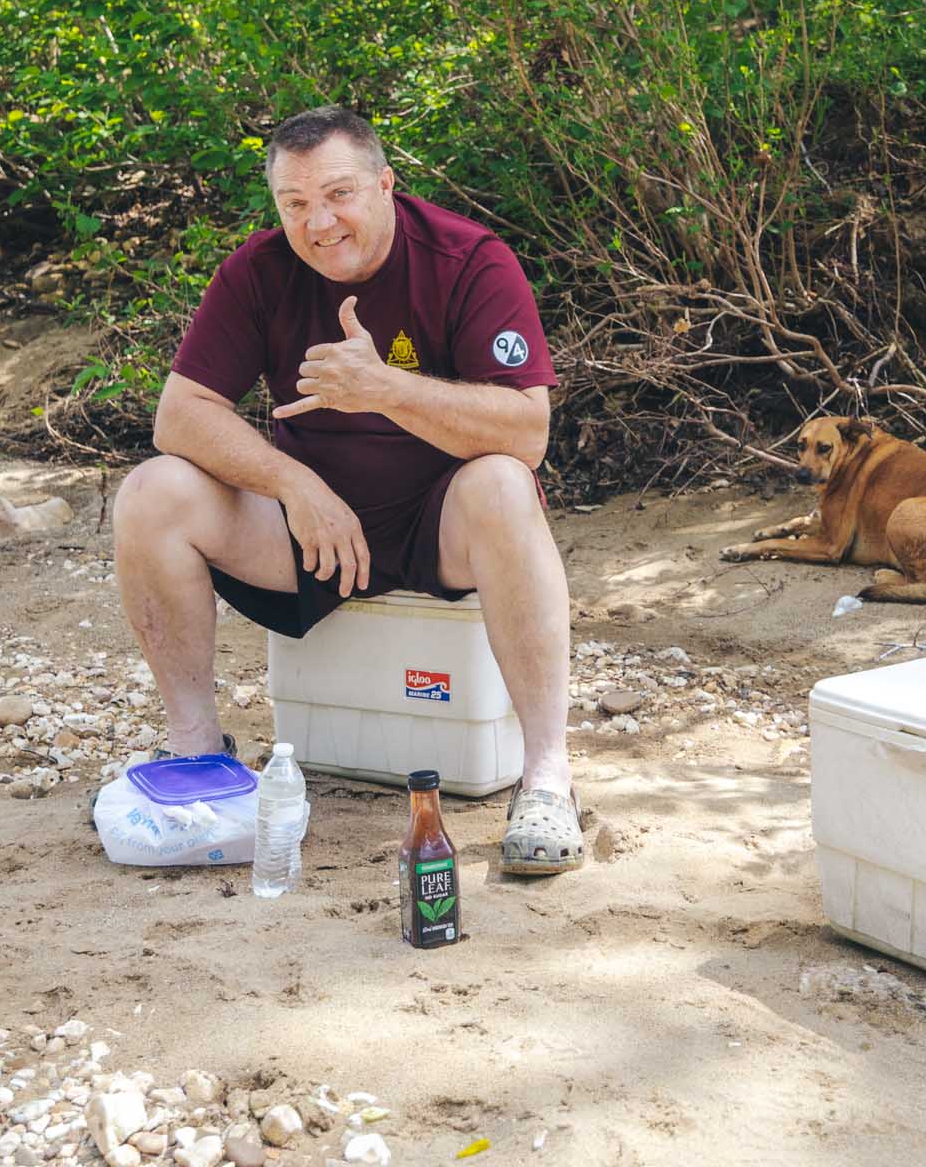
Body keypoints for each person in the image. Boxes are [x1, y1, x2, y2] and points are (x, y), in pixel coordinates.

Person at [112, 106, 584, 874]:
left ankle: (546, 776)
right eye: (295, 204)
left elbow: (528, 431)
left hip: (443, 523)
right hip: (313, 529)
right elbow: (180, 416)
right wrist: (291, 482)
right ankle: (196, 751)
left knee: (503, 481)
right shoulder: (259, 270)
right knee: (151, 492)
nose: (319, 223)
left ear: (386, 185)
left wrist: (385, 388)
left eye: (338, 195)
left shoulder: (469, 259)